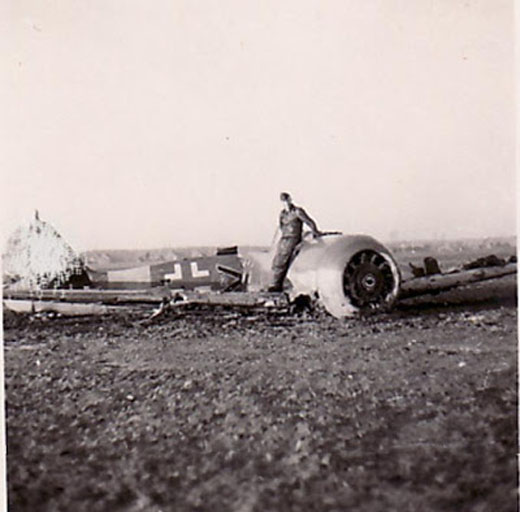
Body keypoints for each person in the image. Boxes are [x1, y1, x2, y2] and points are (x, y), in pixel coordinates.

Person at [268, 192, 322, 292]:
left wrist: (315, 232)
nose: (286, 203)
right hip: (285, 238)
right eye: (283, 201)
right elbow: (281, 226)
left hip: (293, 238)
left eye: (287, 200)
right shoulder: (283, 214)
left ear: (290, 200)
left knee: (283, 259)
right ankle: (276, 283)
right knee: (277, 261)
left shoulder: (297, 211)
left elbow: (309, 221)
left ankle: (276, 285)